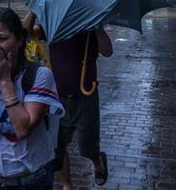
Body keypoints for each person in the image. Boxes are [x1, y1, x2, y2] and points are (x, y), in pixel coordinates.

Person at [0, 7, 64, 190]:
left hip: (33, 180)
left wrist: (4, 81)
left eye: (2, 38)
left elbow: (22, 129)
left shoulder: (39, 76)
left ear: (19, 40)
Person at [23, 12, 113, 189]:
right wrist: (34, 9)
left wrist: (97, 27)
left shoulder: (88, 24)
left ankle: (97, 162)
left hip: (86, 96)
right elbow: (25, 31)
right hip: (58, 97)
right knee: (59, 145)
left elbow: (108, 51)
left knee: (87, 146)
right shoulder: (54, 25)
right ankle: (67, 185)